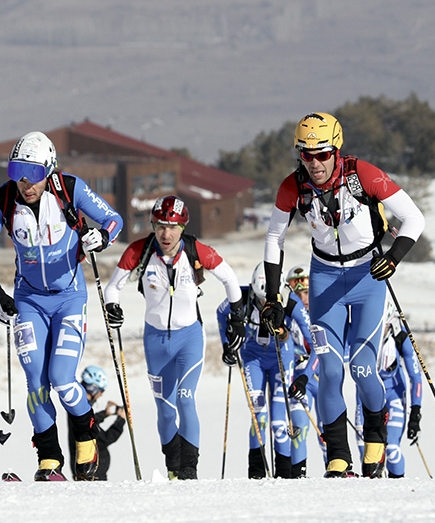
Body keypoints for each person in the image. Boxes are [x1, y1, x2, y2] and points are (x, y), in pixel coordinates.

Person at [260, 112, 425, 478]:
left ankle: (376, 436)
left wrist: (394, 258)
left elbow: (415, 218)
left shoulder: (361, 174)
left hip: (367, 276)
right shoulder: (293, 187)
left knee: (364, 368)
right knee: (330, 370)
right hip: (324, 280)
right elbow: (274, 238)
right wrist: (273, 297)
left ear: (336, 149)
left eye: (322, 154)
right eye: (306, 155)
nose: (315, 163)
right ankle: (338, 455)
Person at [0, 131, 123, 481]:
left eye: (33, 174)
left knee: (62, 379)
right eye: (17, 172)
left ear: (49, 171)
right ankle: (49, 462)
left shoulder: (70, 189)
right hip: (29, 301)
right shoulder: (3, 200)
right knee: (36, 382)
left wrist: (102, 236)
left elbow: (114, 220)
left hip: (69, 298)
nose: (25, 183)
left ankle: (87, 439)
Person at [103, 195, 243, 480]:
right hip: (155, 342)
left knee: (185, 398)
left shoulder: (196, 251)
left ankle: (189, 469)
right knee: (166, 411)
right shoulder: (139, 251)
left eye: (173, 227)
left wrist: (237, 318)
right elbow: (112, 288)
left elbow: (230, 279)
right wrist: (112, 307)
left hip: (189, 338)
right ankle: (173, 468)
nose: (166, 233)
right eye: (160, 226)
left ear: (183, 227)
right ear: (153, 226)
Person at [217, 263, 316, 478]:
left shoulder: (291, 302)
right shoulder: (242, 296)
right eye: (260, 300)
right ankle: (257, 474)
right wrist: (228, 345)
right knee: (258, 416)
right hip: (253, 358)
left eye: (268, 300)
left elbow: (316, 344)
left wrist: (305, 376)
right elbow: (220, 312)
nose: (264, 305)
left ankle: (284, 474)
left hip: (282, 357)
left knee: (280, 422)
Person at [354, 297, 423, 478]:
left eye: (381, 325)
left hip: (394, 395)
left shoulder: (401, 337)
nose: (376, 330)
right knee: (365, 449)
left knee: (391, 448)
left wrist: (415, 413)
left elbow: (416, 377)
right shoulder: (361, 335)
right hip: (366, 398)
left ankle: (396, 489)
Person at [283, 264, 322, 477]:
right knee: (298, 426)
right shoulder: (289, 315)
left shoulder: (321, 314)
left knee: (326, 431)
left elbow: (321, 349)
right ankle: (298, 476)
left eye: (306, 292)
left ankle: (336, 473)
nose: (302, 298)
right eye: (297, 294)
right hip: (298, 378)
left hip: (318, 375)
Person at [66, 365, 127, 481]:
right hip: (91, 470)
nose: (101, 394)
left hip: (88, 468)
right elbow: (105, 439)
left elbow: (88, 421)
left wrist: (104, 413)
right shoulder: (77, 410)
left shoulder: (77, 407)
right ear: (93, 389)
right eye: (101, 391)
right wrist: (121, 420)